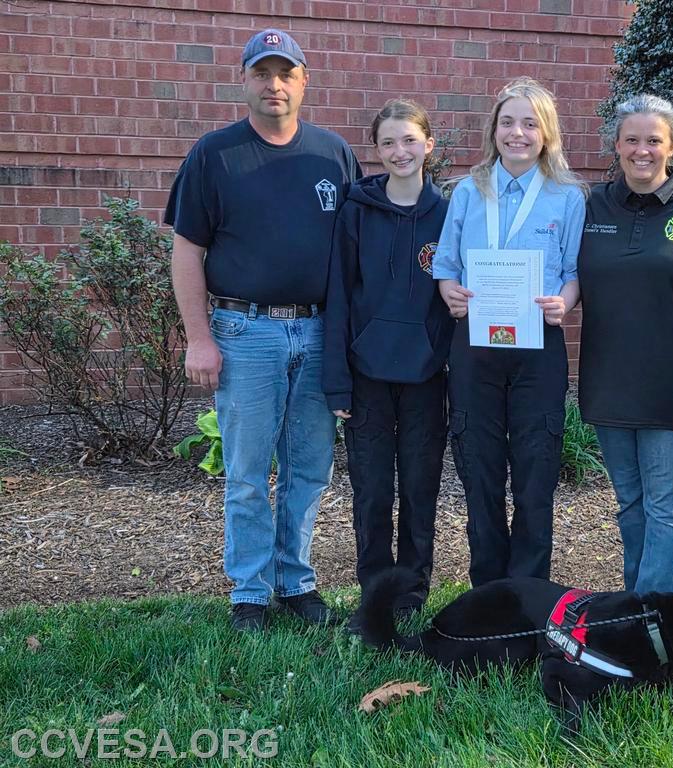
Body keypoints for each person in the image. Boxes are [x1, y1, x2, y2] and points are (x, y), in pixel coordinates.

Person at [165, 28, 362, 632]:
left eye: (285, 73)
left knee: (309, 468)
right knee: (248, 473)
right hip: (243, 331)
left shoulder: (332, 154)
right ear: (244, 80)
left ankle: (295, 581)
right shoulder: (215, 154)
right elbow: (186, 249)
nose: (274, 85)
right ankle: (249, 591)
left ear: (304, 82)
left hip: (318, 332)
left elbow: (355, 249)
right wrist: (199, 337)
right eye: (262, 73)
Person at [432, 77, 586, 586]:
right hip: (475, 345)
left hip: (537, 346)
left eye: (529, 124)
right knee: (479, 473)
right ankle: (488, 592)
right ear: (493, 129)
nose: (517, 133)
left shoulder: (567, 196)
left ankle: (530, 593)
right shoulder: (467, 190)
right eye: (507, 122)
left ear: (547, 133)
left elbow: (573, 271)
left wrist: (564, 302)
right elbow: (446, 264)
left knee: (536, 475)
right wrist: (450, 292)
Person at [577, 94, 673, 597]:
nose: (641, 150)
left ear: (672, 146)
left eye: (653, 140)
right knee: (629, 504)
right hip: (609, 382)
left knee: (665, 506)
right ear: (616, 145)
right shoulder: (593, 205)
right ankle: (635, 608)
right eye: (632, 139)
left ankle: (655, 617)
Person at [321, 99, 453, 626]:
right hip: (366, 375)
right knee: (373, 492)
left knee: (420, 488)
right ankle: (375, 591)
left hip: (427, 376)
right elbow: (338, 295)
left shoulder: (450, 214)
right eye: (388, 142)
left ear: (429, 145)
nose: (400, 151)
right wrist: (337, 381)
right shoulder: (356, 211)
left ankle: (412, 592)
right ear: (375, 150)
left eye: (409, 140)